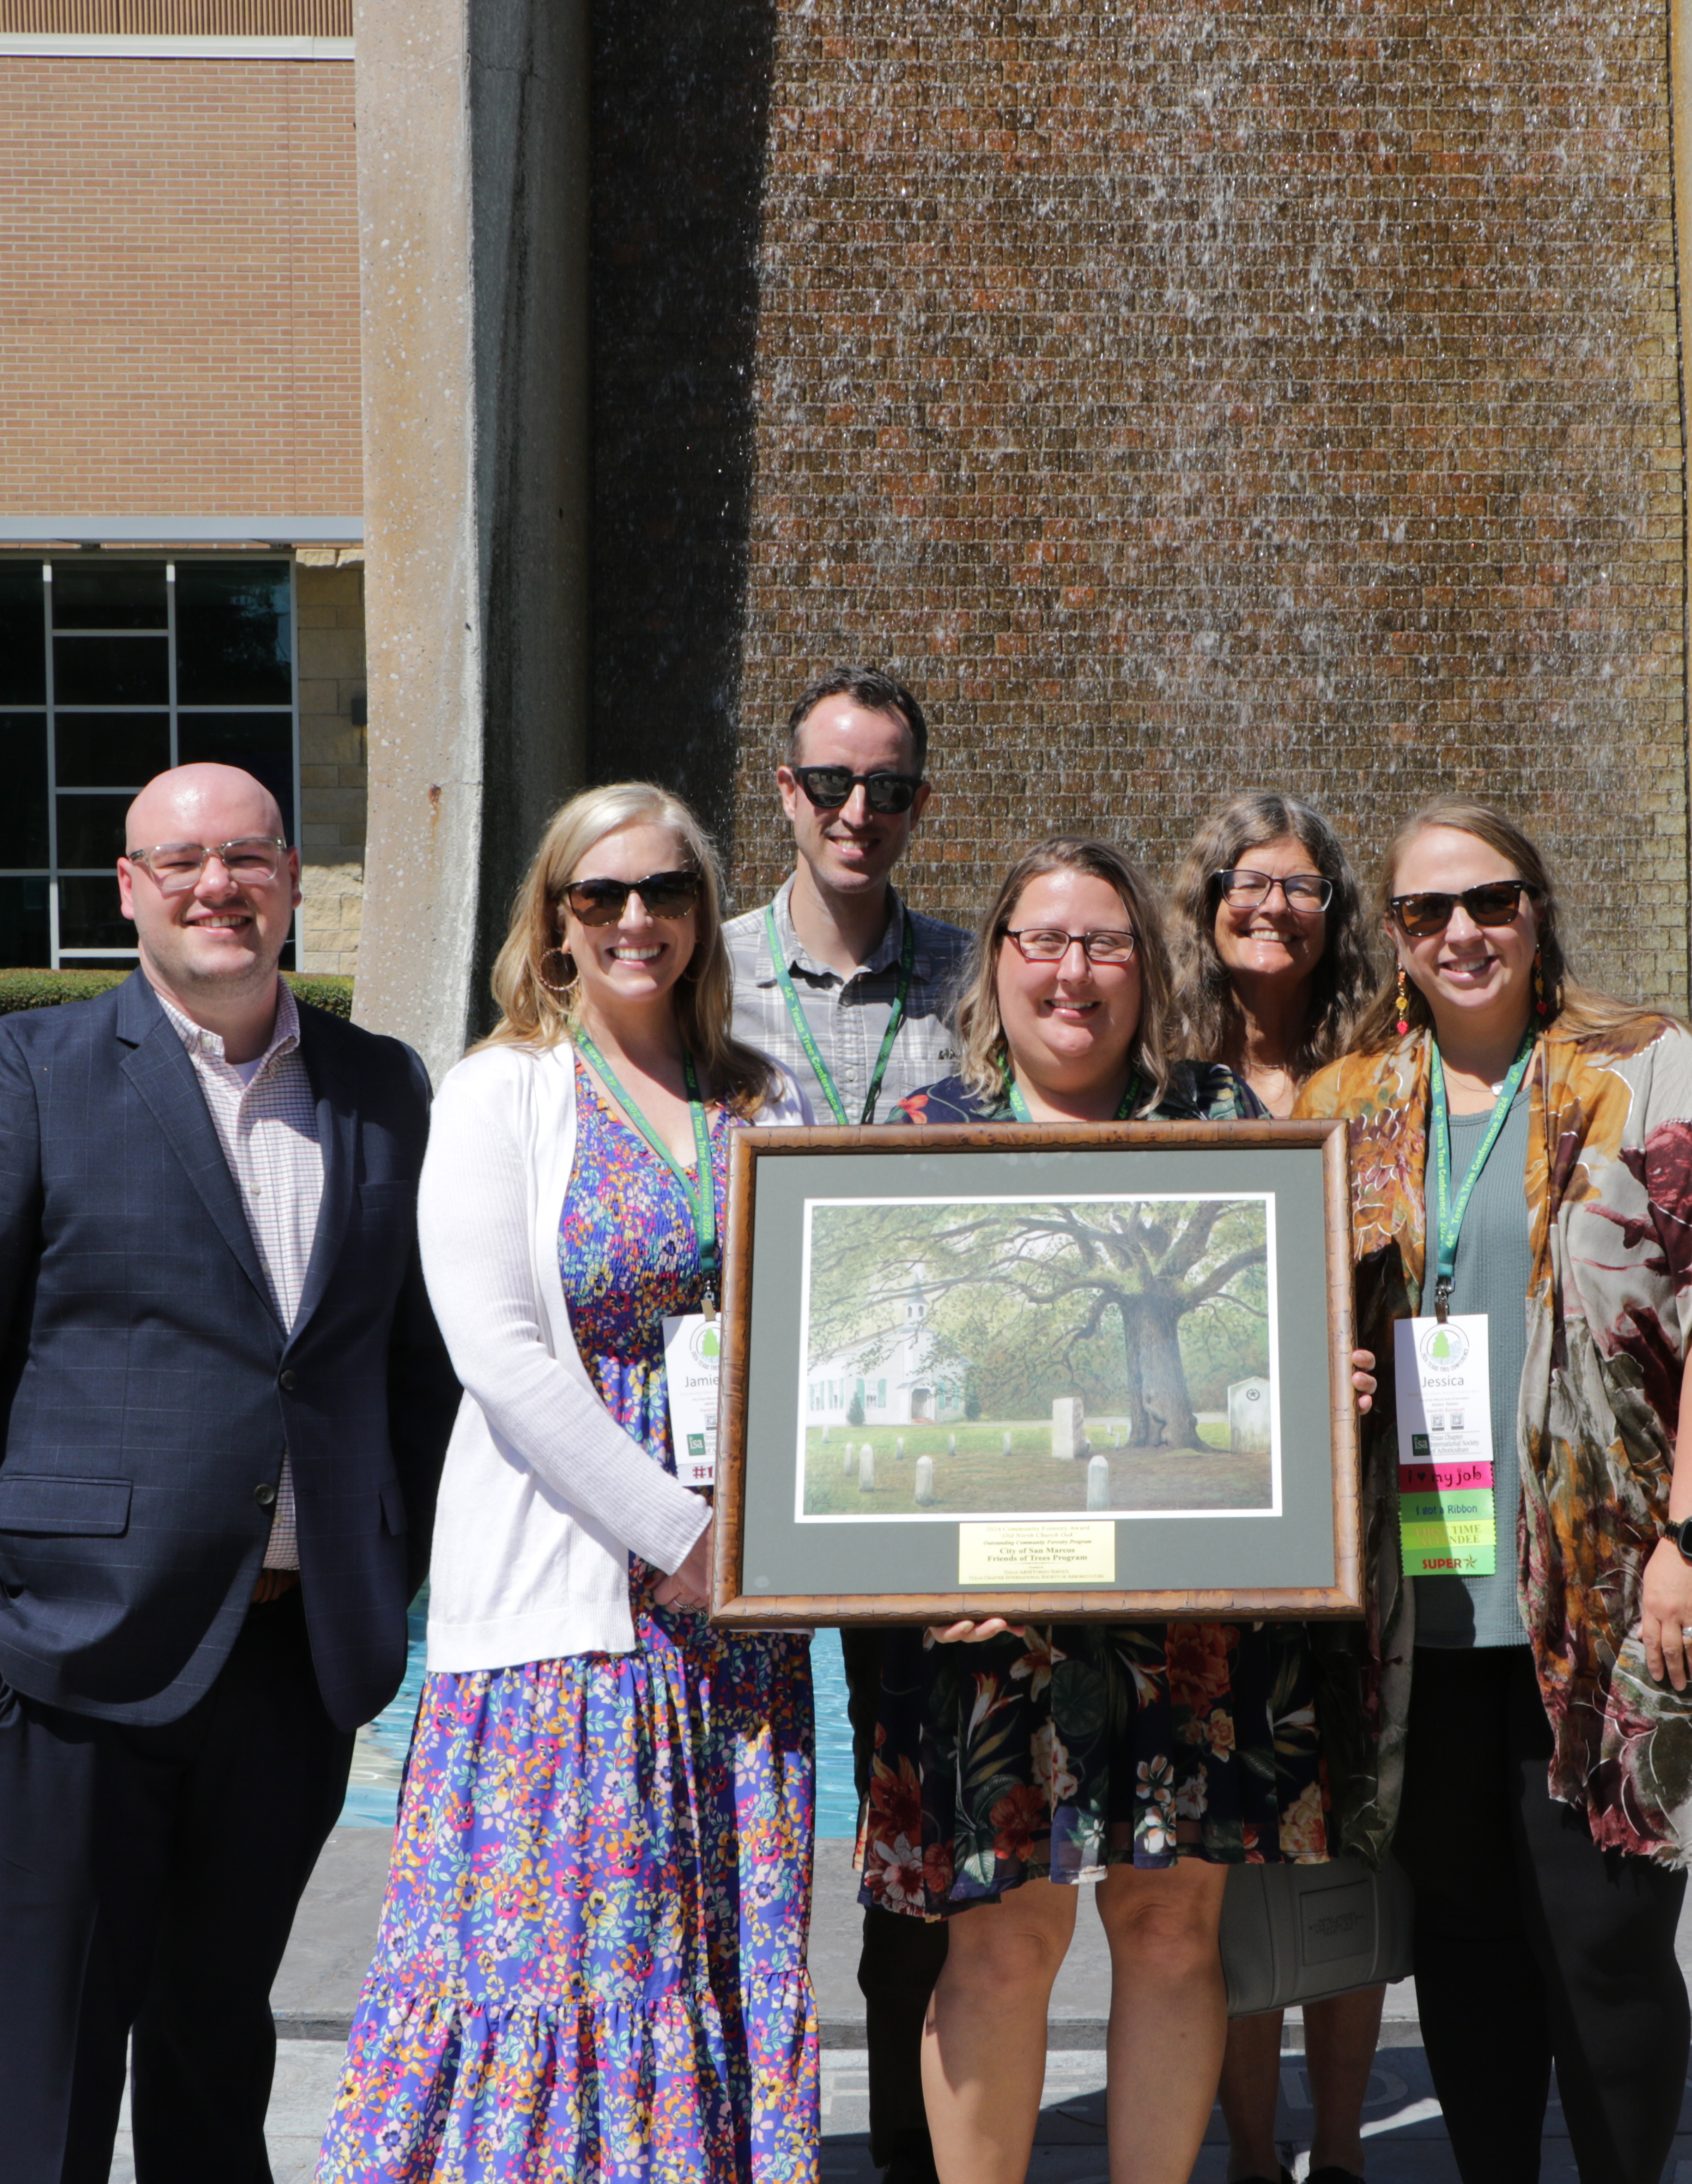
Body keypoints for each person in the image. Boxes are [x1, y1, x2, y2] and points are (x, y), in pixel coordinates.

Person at [1293, 796, 1692, 2184]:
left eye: (1492, 902)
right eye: (1426, 912)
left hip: (1612, 1590)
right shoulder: (1346, 1104)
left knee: (1607, 1947)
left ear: (1537, 911)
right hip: (1420, 1614)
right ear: (1393, 939)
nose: (1462, 932)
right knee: (1461, 1946)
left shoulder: (1643, 1070)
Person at [318, 784, 820, 2183]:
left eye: (666, 891)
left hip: (731, 1625)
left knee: (694, 1958)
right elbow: (501, 1355)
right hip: (577, 1613)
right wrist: (684, 1535)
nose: (636, 920)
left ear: (706, 917)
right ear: (552, 923)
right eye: (599, 897)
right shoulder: (498, 1093)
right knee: (559, 1967)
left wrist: (779, 1544)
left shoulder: (755, 1094)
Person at [864, 836, 1374, 2184]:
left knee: (1168, 1933)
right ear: (996, 964)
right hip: (975, 1628)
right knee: (1001, 1939)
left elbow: (1288, 1341)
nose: (1074, 972)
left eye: (1106, 943)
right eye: (1043, 940)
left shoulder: (1228, 1133)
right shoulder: (914, 1150)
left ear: (1149, 969)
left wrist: (1323, 1379)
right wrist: (903, 1566)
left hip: (1193, 1622)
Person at [0, 761, 459, 2184]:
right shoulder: (35, 1075)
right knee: (47, 2045)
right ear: (129, 891)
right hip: (78, 1646)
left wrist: (392, 1566)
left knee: (216, 2031)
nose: (220, 885)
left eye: (249, 856)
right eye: (182, 861)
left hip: (290, 1661)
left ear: (293, 878)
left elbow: (417, 1370)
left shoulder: (381, 1085)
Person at [725, 665, 972, 2184]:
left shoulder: (971, 973)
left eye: (886, 789)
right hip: (741, 1461)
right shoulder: (699, 964)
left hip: (918, 1456)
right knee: (735, 1818)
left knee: (912, 1834)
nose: (857, 813)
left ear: (919, 806)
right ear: (786, 793)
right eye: (831, 785)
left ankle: (903, 2150)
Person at [1167, 792, 1385, 2184]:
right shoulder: (1160, 1085)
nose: (1275, 907)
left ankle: (1347, 2155)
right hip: (1217, 1535)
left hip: (1377, 1524)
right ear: (1206, 902)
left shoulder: (1389, 1071)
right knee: (1235, 1858)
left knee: (1352, 1847)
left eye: (1303, 886)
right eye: (1251, 882)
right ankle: (1255, 2159)